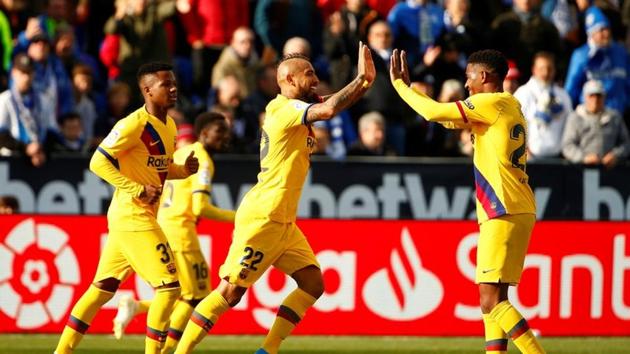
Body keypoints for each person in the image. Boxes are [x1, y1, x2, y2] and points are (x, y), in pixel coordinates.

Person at [173, 42, 375, 354]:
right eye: (309, 74)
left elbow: (334, 102)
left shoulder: (296, 109)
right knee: (229, 292)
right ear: (289, 80)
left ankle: (268, 350)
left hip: (284, 222)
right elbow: (331, 108)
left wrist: (365, 82)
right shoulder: (284, 109)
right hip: (264, 217)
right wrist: (360, 78)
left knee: (313, 285)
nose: (315, 79)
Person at [390, 48, 545, 354]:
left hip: (502, 209)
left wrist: (400, 86)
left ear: (484, 76)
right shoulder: (507, 104)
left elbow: (434, 113)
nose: (467, 83)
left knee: (491, 300)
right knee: (494, 300)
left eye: (469, 76)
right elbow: (449, 121)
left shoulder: (489, 102)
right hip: (516, 207)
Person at [54, 62, 199, 354]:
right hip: (134, 216)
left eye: (174, 83)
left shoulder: (169, 125)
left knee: (101, 289)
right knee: (170, 289)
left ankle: (61, 352)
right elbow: (98, 162)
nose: (173, 89)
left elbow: (158, 168)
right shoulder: (133, 124)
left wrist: (182, 170)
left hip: (130, 219)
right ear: (147, 90)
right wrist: (135, 189)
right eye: (165, 84)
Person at [112, 112, 236, 353]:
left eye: (226, 132)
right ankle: (169, 350)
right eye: (219, 132)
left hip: (164, 226)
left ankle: (136, 307)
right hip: (181, 233)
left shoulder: (180, 154)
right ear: (204, 133)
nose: (225, 137)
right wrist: (238, 217)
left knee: (181, 293)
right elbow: (200, 207)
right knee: (195, 297)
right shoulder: (203, 161)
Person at [514, 52, 573, 160]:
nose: (546, 73)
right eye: (541, 69)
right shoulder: (523, 93)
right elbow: (513, 126)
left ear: (554, 70)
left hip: (558, 159)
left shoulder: (563, 95)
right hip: (529, 159)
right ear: (534, 70)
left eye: (549, 69)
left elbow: (570, 125)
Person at [0, 53, 55, 167]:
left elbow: (51, 131)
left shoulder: (43, 100)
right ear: (14, 73)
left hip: (39, 159)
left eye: (29, 73)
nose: (26, 78)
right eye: (23, 73)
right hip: (11, 161)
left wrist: (41, 149)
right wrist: (25, 148)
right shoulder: (5, 99)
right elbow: (1, 135)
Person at [561, 79, 630, 168]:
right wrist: (584, 158)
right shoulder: (575, 117)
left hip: (610, 171)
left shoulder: (615, 117)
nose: (595, 100)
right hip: (580, 170)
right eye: (592, 96)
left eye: (599, 96)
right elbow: (567, 145)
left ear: (604, 97)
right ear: (585, 97)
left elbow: (626, 143)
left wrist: (616, 155)